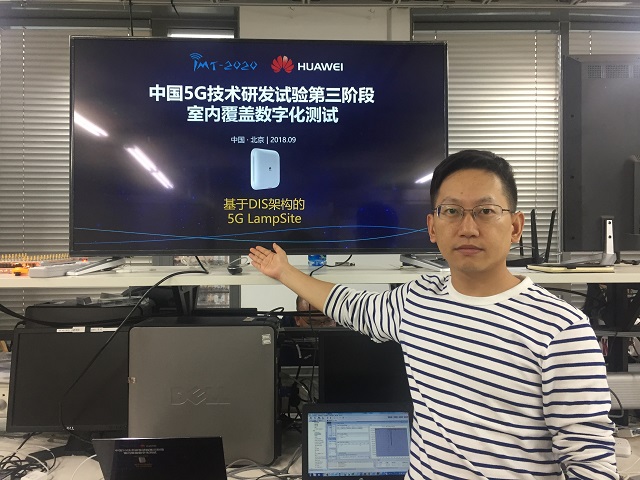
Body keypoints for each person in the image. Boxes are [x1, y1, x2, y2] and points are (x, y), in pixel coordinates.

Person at [250, 149, 618, 479]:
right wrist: (284, 272)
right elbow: (351, 305)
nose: (468, 228)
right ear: (432, 227)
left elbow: (590, 463)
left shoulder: (561, 329)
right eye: (452, 211)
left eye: (486, 211)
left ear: (515, 227)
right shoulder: (418, 299)